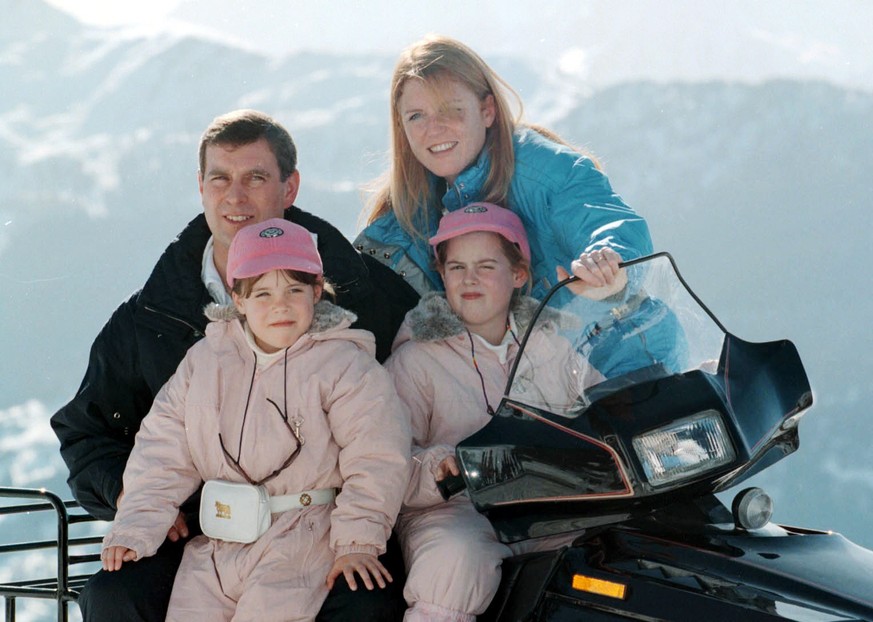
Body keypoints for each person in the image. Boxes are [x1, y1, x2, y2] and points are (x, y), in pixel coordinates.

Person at [51, 110, 415, 622]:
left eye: (256, 178)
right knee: (117, 594)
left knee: (366, 600)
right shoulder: (153, 315)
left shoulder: (367, 297)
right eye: (220, 178)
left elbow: (400, 421)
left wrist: (363, 530)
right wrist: (145, 509)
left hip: (322, 527)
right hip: (203, 530)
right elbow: (92, 432)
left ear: (290, 187)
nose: (235, 197)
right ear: (200, 187)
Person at [100, 218, 410, 621]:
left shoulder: (344, 365)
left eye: (294, 290)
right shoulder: (206, 361)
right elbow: (163, 448)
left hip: (300, 536)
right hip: (219, 536)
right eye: (262, 293)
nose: (279, 305)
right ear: (238, 298)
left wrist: (358, 542)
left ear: (317, 291)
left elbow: (376, 456)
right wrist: (135, 526)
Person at [355, 34, 681, 376]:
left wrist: (607, 263)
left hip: (626, 360)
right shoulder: (403, 226)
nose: (433, 129)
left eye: (451, 109)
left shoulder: (541, 167)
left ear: (487, 111)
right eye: (416, 116)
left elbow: (604, 218)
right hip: (531, 396)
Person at [384, 203, 603, 621]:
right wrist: (440, 467)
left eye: (486, 266)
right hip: (455, 512)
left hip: (546, 506)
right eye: (456, 267)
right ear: (442, 275)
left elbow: (600, 409)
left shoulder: (551, 348)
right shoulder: (415, 360)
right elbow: (384, 463)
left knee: (609, 549)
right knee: (455, 558)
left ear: (518, 274)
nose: (469, 279)